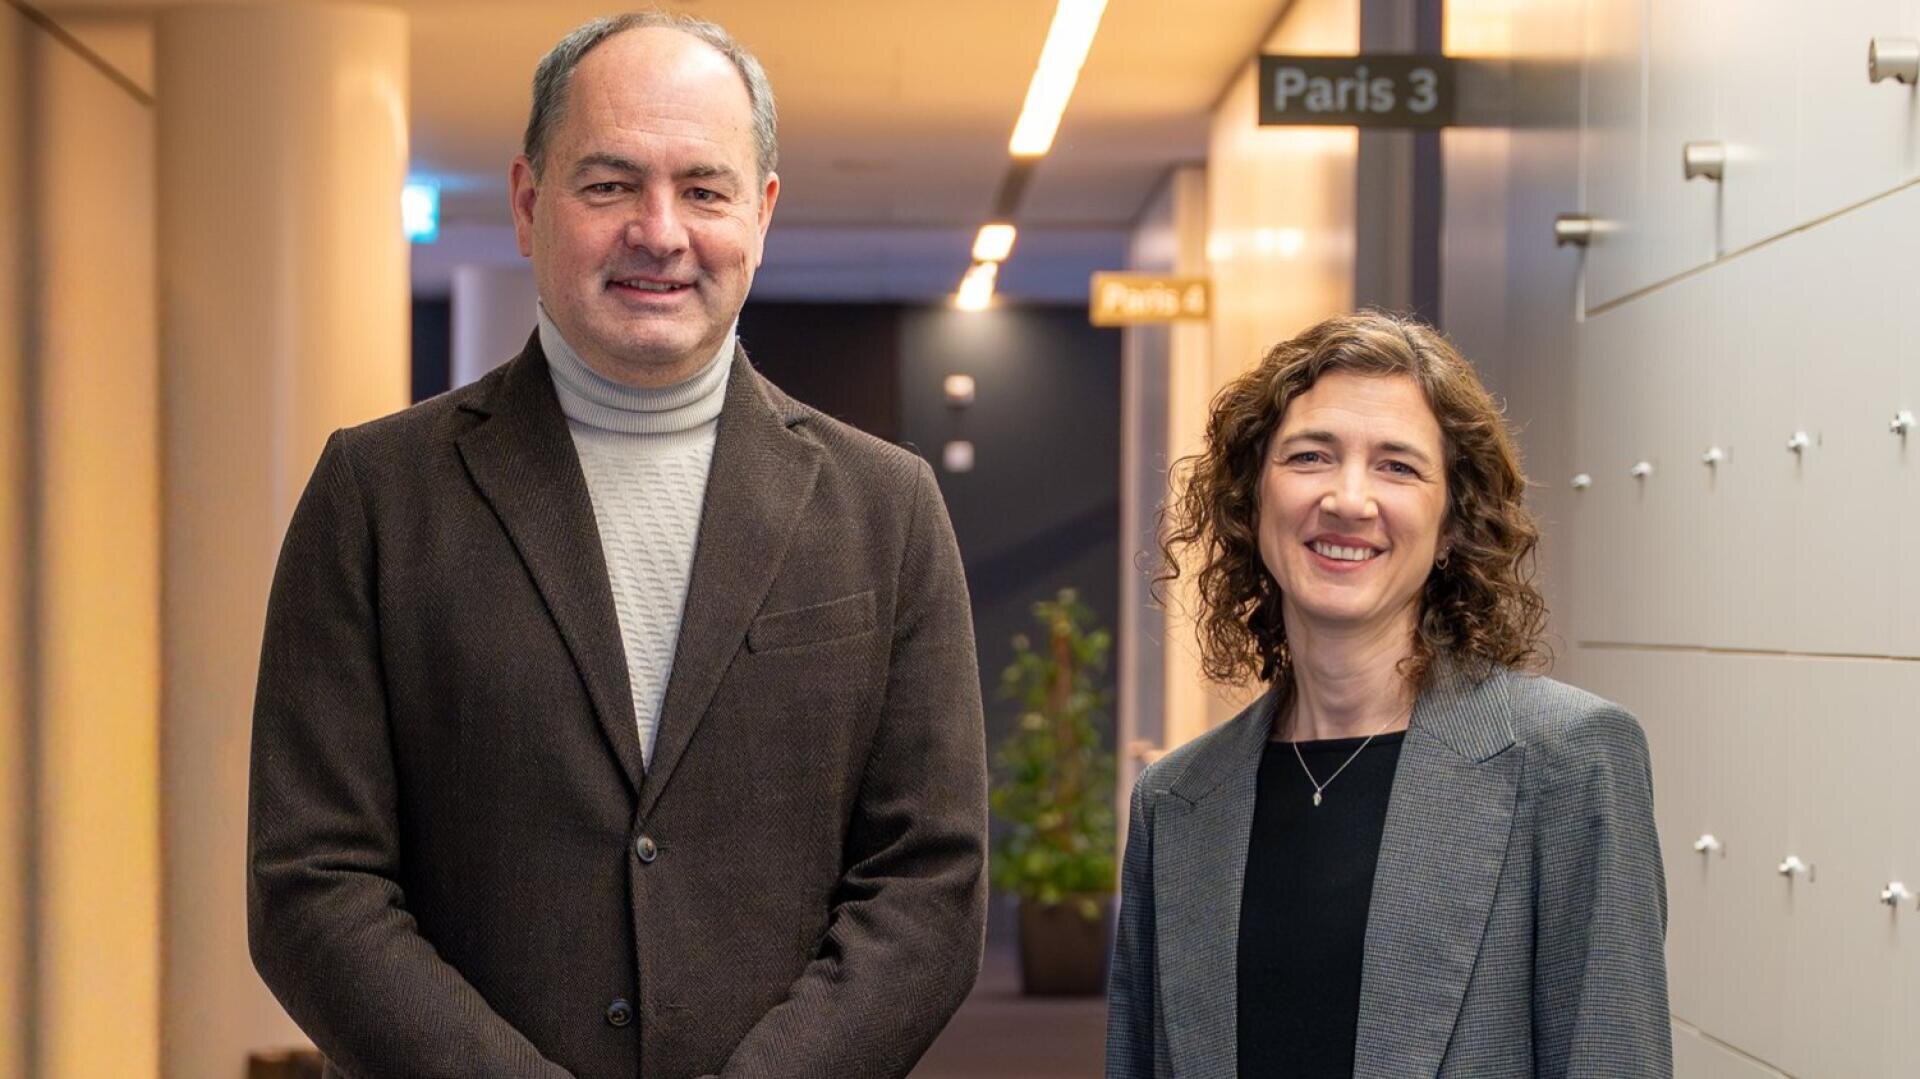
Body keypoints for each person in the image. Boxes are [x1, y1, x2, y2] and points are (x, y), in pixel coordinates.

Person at [248, 13, 987, 1078]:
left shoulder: (887, 507)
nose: (660, 229)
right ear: (526, 202)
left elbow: (929, 882)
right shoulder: (376, 496)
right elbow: (311, 881)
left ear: (762, 212)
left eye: (703, 187)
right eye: (608, 184)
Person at [1106, 311, 1670, 1077]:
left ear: (1450, 526)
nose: (1348, 498)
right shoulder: (1175, 800)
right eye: (1311, 455)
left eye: (1397, 466)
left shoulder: (1568, 762)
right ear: (1252, 500)